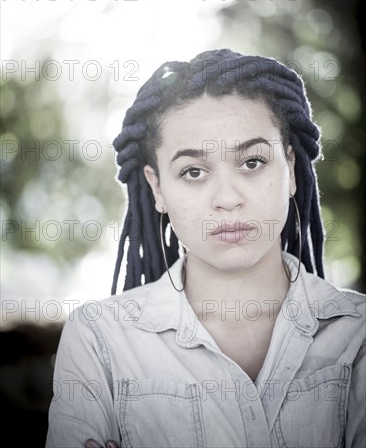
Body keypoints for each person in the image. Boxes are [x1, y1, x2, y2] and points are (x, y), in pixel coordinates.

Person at [46, 49, 365, 448]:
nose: (227, 198)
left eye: (251, 162)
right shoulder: (99, 339)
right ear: (158, 187)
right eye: (193, 171)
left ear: (290, 169)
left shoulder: (359, 335)